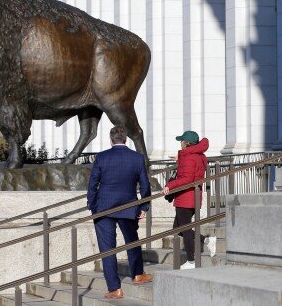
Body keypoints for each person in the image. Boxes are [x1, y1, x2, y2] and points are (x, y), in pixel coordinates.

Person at [86, 125, 152, 299]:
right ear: (126, 139)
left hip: (103, 208)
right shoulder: (137, 158)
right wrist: (144, 206)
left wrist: (93, 207)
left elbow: (93, 184)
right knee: (132, 242)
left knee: (107, 249)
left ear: (111, 140)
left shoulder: (102, 157)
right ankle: (138, 274)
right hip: (128, 207)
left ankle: (115, 288)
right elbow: (145, 185)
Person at [164, 130, 216, 269]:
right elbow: (193, 168)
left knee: (185, 229)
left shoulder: (188, 157)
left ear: (186, 143)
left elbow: (187, 178)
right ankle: (206, 240)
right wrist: (179, 158)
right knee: (178, 228)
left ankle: (191, 261)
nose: (180, 143)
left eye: (182, 141)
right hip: (194, 197)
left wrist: (170, 185)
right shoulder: (199, 155)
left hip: (185, 197)